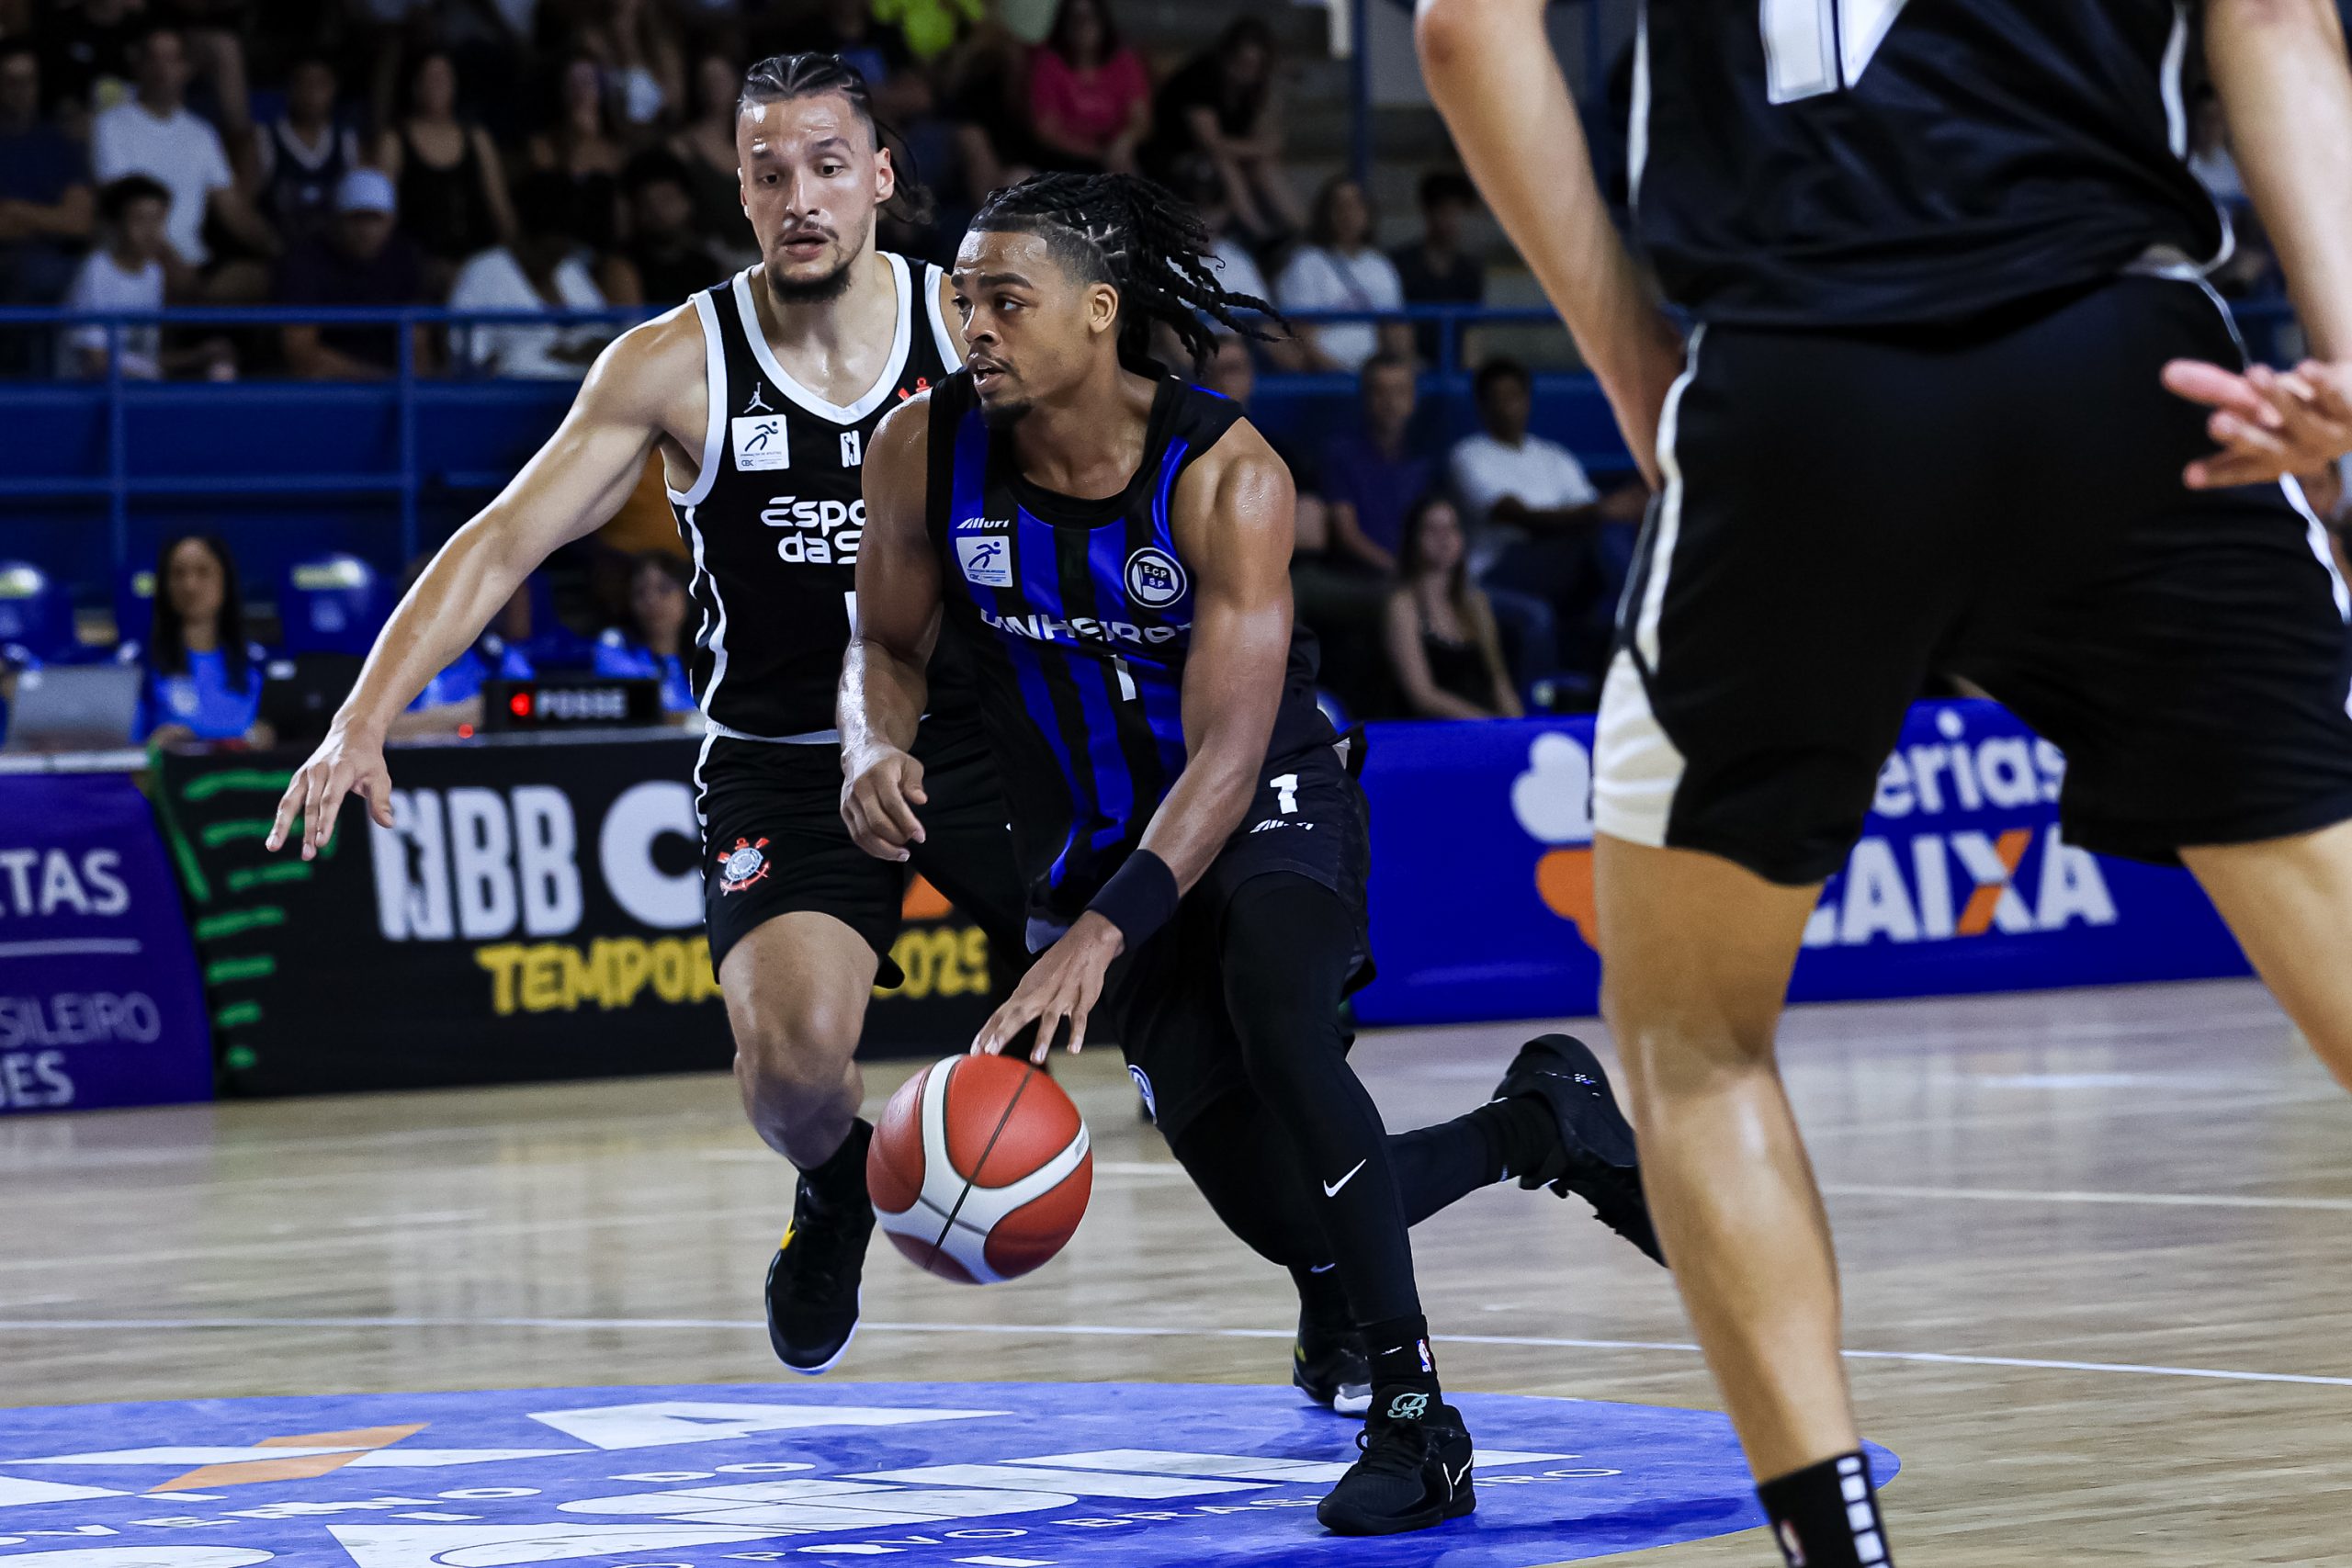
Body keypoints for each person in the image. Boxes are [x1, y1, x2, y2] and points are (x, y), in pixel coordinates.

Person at [1424, 1, 2352, 1564]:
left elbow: (1463, 30)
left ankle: (1836, 1546)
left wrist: (1640, 369)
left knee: (1696, 1045)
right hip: (2128, 368)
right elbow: (2272, 15)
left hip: (1798, 395)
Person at [842, 169, 1660, 1537]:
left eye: (1006, 300)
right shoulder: (920, 450)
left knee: (1282, 1021)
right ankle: (1544, 1123)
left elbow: (1224, 757)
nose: (971, 325)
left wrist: (1101, 935)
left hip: (1268, 792)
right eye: (960, 299)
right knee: (1293, 1218)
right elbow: (883, 643)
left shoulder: (1227, 475)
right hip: (1098, 843)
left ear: (1098, 311)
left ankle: (1417, 1418)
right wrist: (872, 743)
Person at [265, 51, 1035, 1388]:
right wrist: (362, 718)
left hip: (976, 742)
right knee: (789, 1069)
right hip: (783, 761)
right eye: (768, 172)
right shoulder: (678, 361)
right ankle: (840, 1185)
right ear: (739, 191)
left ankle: (1334, 1286)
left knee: (1187, 1001)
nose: (799, 197)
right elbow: (502, 541)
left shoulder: (968, 329)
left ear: (881, 178)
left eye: (827, 166)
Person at [1450, 355, 1647, 682]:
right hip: (1499, 568)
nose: (1507, 407)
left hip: (1563, 568)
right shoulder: (1469, 454)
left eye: (1514, 396)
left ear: (1528, 400)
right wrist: (1600, 510)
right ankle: (1640, 605)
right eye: (1497, 398)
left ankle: (1632, 612)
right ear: (1481, 406)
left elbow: (1593, 511)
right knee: (1601, 532)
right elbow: (1520, 517)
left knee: (1607, 534)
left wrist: (1602, 511)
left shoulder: (1553, 456)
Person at [91, 25, 276, 294]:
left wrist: (276, 246)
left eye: (171, 59)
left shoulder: (202, 133)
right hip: (137, 259)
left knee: (258, 278)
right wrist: (170, 262)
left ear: (186, 69)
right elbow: (124, 205)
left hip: (193, 261)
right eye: (153, 58)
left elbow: (231, 208)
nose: (161, 68)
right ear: (138, 65)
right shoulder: (111, 125)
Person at [1141, 17, 1299, 243]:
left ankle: (1301, 229)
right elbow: (1211, 142)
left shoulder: (1253, 87)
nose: (1248, 72)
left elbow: (1266, 136)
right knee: (1225, 163)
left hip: (1225, 153)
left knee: (1264, 165)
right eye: (1242, 63)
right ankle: (1258, 232)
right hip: (1174, 155)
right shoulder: (1201, 77)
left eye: (1256, 66)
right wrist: (1260, 148)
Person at [374, 50, 516, 299]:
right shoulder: (394, 141)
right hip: (418, 262)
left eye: (443, 78)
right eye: (429, 78)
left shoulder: (477, 139)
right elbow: (382, 213)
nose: (436, 85)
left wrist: (515, 255)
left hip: (477, 260)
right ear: (414, 86)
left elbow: (500, 210)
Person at [445, 172, 610, 379]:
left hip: (582, 391)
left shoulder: (568, 268)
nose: (559, 253)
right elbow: (469, 357)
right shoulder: (484, 271)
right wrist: (539, 355)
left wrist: (576, 353)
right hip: (514, 393)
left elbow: (603, 336)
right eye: (550, 245)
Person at [276, 167, 428, 378]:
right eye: (356, 218)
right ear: (336, 220)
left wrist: (407, 384)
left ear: (391, 221)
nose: (366, 230)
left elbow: (419, 347)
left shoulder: (405, 258)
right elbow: (300, 352)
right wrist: (376, 378)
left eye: (375, 219)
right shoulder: (305, 261)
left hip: (394, 387)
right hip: (326, 389)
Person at [1382, 494, 1518, 720]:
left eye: (1451, 528)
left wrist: (1518, 728)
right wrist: (1487, 724)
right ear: (1413, 538)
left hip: (1485, 726)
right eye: (1432, 530)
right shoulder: (1402, 605)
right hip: (1431, 731)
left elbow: (1499, 680)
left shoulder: (1476, 603)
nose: (1443, 538)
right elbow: (1423, 696)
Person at [132, 533, 270, 748]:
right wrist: (154, 745)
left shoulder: (258, 662)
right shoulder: (139, 662)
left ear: (225, 580)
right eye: (178, 574)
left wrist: (269, 737)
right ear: (164, 585)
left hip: (246, 770)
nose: (190, 586)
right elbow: (118, 749)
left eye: (203, 572)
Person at [1275, 175, 1408, 373]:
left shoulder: (1379, 265)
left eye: (1356, 205)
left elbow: (1394, 329)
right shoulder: (1306, 262)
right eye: (1340, 206)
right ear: (1326, 213)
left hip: (1374, 376)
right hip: (1324, 376)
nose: (1349, 213)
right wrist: (1341, 375)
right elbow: (1301, 334)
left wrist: (1399, 367)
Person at [0, 42, 94, 308]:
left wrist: (16, 210)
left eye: (28, 81)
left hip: (53, 263)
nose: (21, 90)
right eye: (11, 81)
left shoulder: (59, 144)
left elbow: (79, 222)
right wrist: (48, 219)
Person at [1023, 0, 1148, 174]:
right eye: (1075, 19)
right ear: (1063, 25)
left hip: (1119, 156)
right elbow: (1047, 131)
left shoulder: (1124, 61)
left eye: (1090, 17)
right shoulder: (1049, 64)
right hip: (1065, 161)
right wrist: (1097, 154)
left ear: (1103, 21)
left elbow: (1141, 119)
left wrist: (1123, 144)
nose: (1083, 26)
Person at [253, 55, 364, 248]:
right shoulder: (264, 139)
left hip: (334, 252)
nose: (311, 93)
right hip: (279, 250)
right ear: (289, 88)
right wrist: (271, 245)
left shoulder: (348, 142)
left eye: (320, 84)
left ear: (334, 89)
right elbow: (243, 207)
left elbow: (360, 205)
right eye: (303, 84)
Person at [1389, 169, 1482, 365]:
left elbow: (1472, 331)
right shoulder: (1401, 264)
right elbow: (1396, 325)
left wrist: (1469, 374)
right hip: (1412, 367)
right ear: (1428, 212)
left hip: (1454, 368)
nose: (1451, 220)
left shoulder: (1470, 269)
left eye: (1458, 212)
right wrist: (1410, 364)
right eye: (1444, 211)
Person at [593, 549, 696, 716]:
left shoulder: (707, 650)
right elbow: (636, 705)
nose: (652, 601)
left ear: (688, 595)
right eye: (640, 592)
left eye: (664, 589)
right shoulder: (615, 644)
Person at [619, 147, 726, 306]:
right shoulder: (624, 266)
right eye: (646, 203)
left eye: (667, 199)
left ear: (688, 201)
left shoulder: (709, 266)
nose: (657, 212)